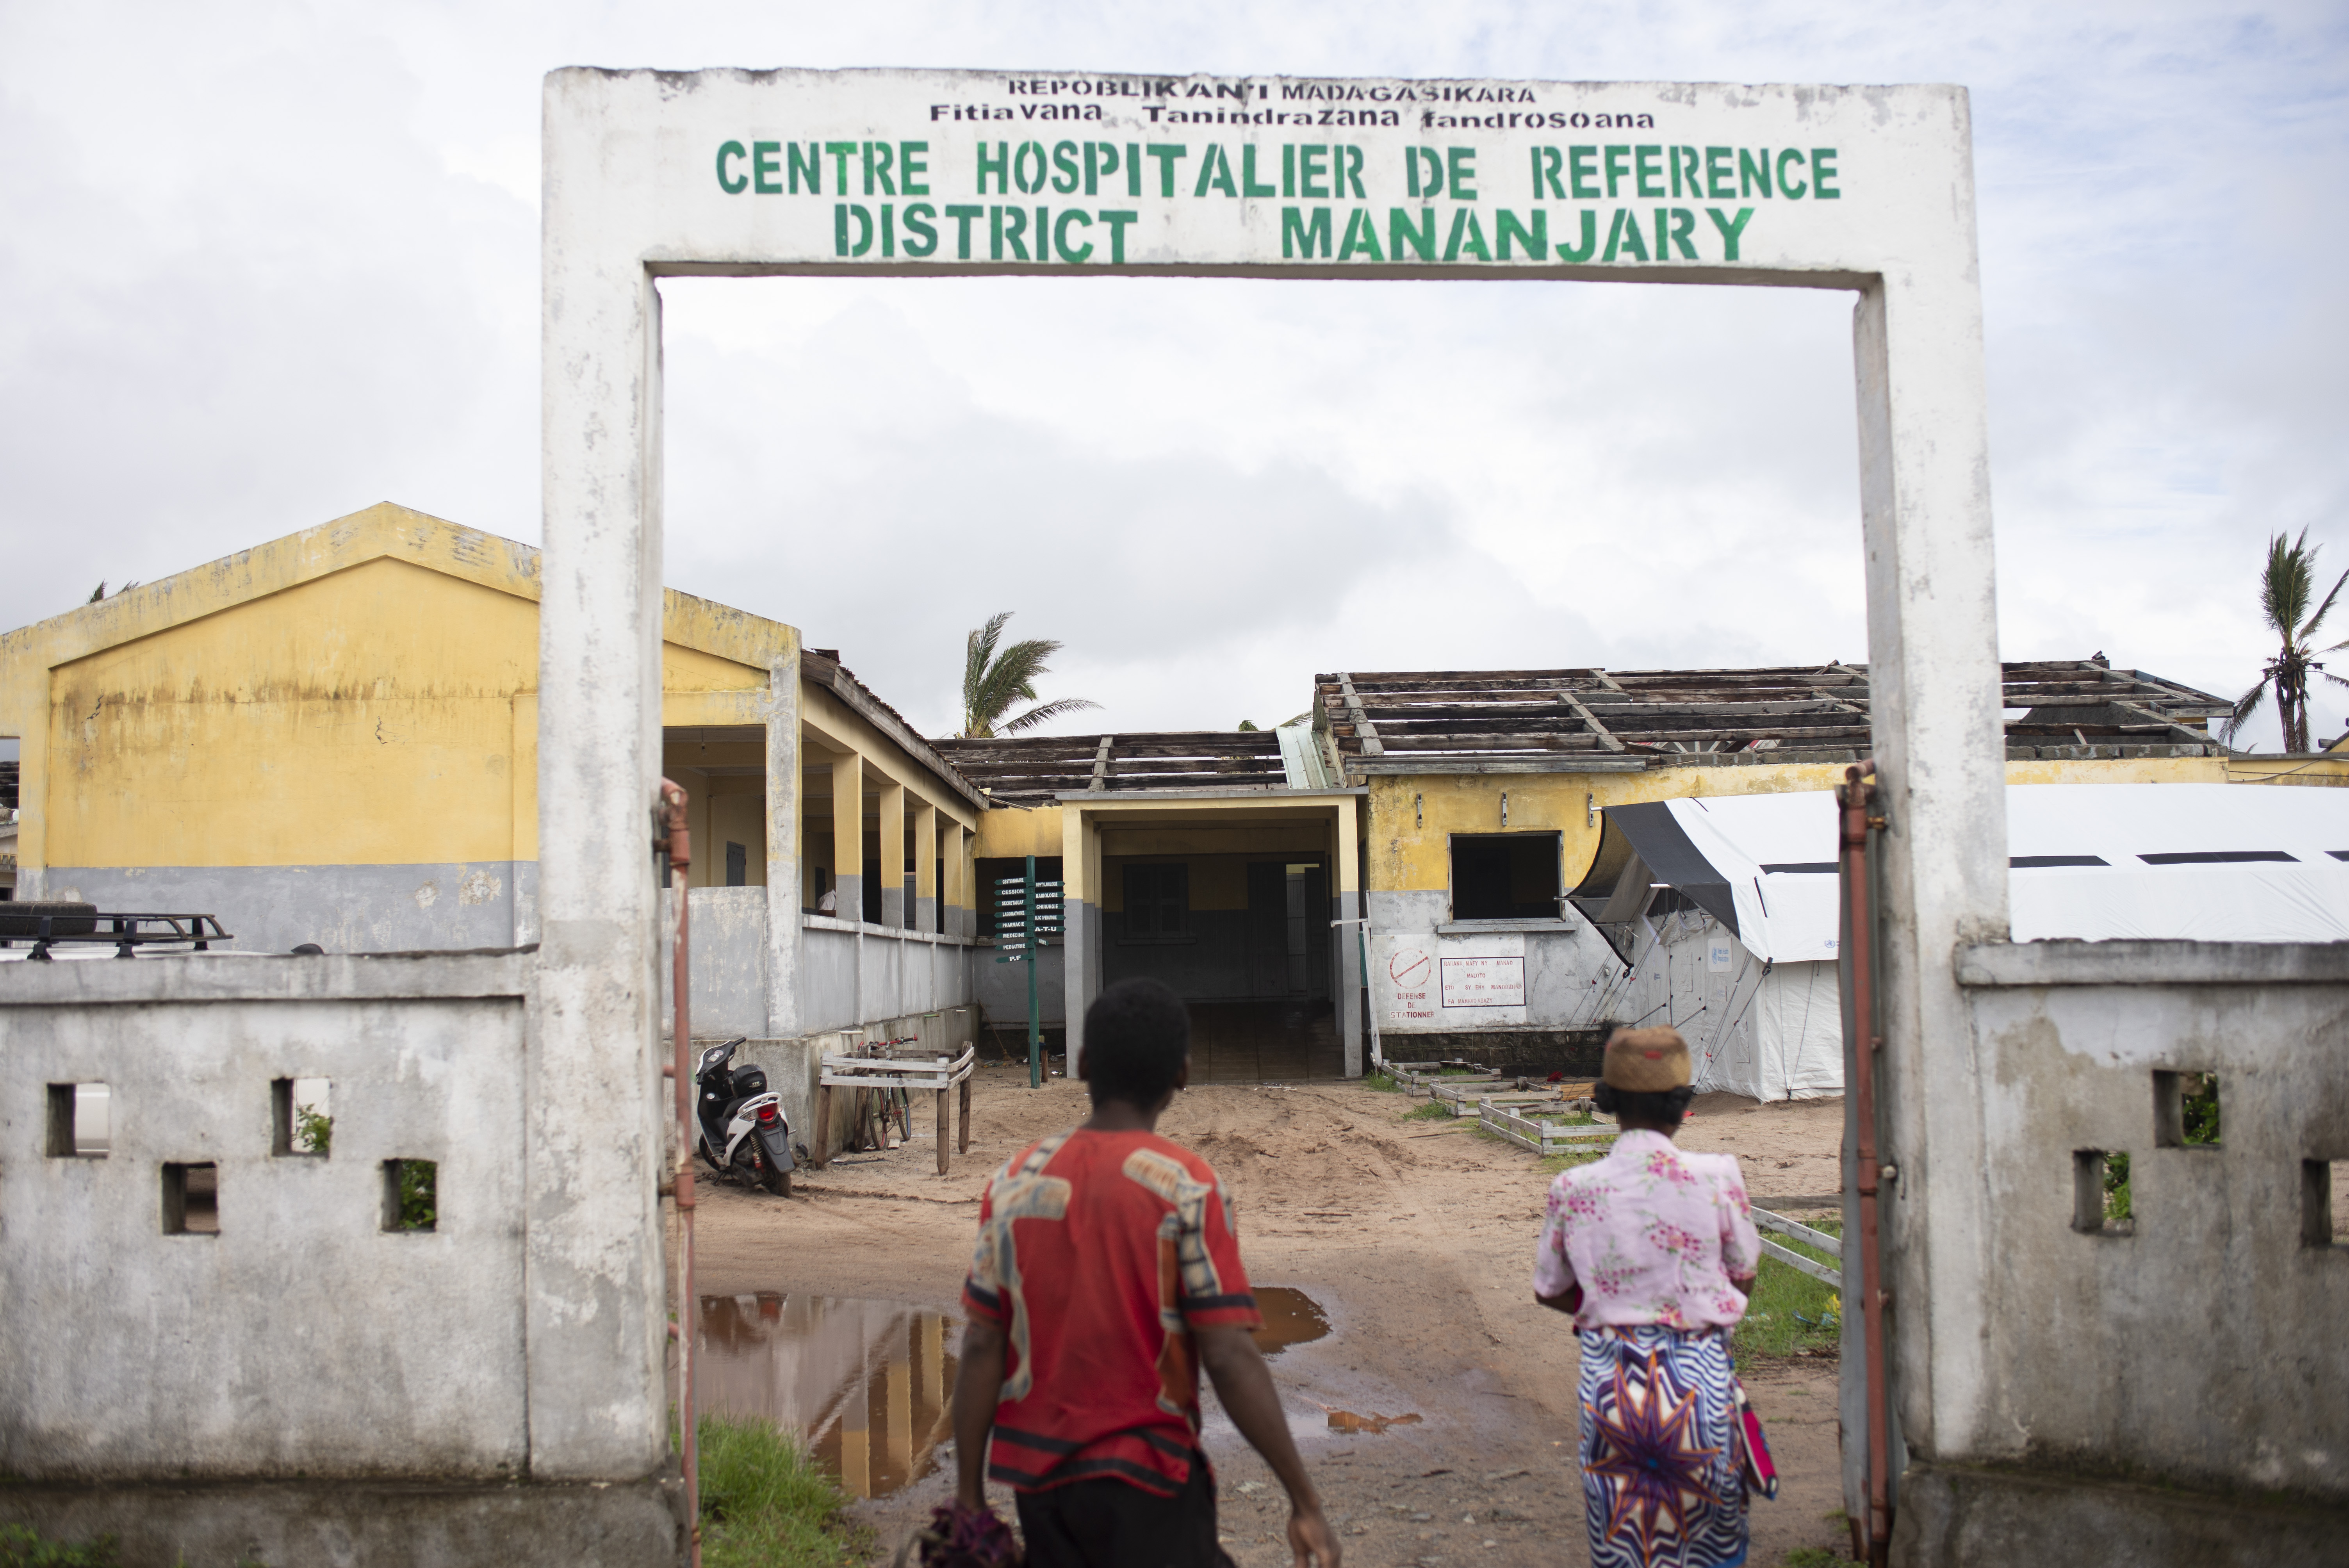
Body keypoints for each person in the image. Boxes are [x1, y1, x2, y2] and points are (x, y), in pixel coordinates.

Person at [951, 977, 1340, 1568]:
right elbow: (1228, 1356)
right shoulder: (1188, 1188)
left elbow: (983, 1343)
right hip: (1151, 1478)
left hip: (1042, 1489)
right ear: (1182, 1074)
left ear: (1083, 1063)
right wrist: (1304, 1501)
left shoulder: (1012, 1184)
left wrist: (969, 1497)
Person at [1534, 1026, 1763, 1568]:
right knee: (1712, 1545)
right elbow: (1743, 1272)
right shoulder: (1717, 1176)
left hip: (1612, 1390)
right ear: (1682, 1103)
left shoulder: (1575, 1187)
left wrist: (1610, 1308)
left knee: (1624, 1541)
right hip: (1702, 1386)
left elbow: (1551, 1288)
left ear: (1608, 1100)